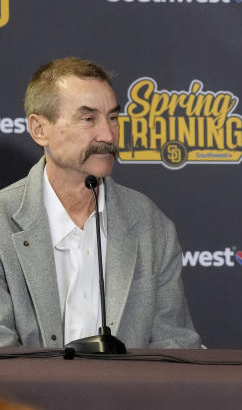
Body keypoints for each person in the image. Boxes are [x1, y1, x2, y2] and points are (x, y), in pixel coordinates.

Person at [0, 57, 200, 348]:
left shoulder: (151, 224)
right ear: (39, 129)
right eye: (88, 118)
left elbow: (176, 344)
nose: (108, 135)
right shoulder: (3, 221)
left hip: (131, 394)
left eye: (113, 117)